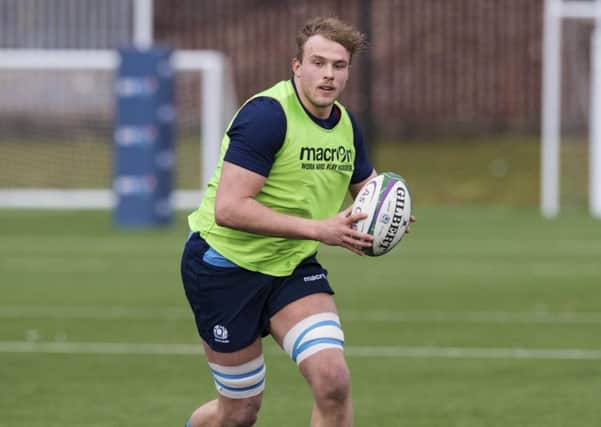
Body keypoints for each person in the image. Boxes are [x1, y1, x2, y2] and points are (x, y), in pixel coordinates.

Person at [180, 16, 413, 427]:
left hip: (291, 267)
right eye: (318, 63)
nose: (328, 75)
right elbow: (230, 208)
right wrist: (319, 229)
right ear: (296, 66)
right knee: (238, 412)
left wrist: (389, 211)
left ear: (347, 71)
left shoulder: (345, 125)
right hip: (225, 267)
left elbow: (366, 188)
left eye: (338, 66)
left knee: (333, 381)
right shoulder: (268, 116)